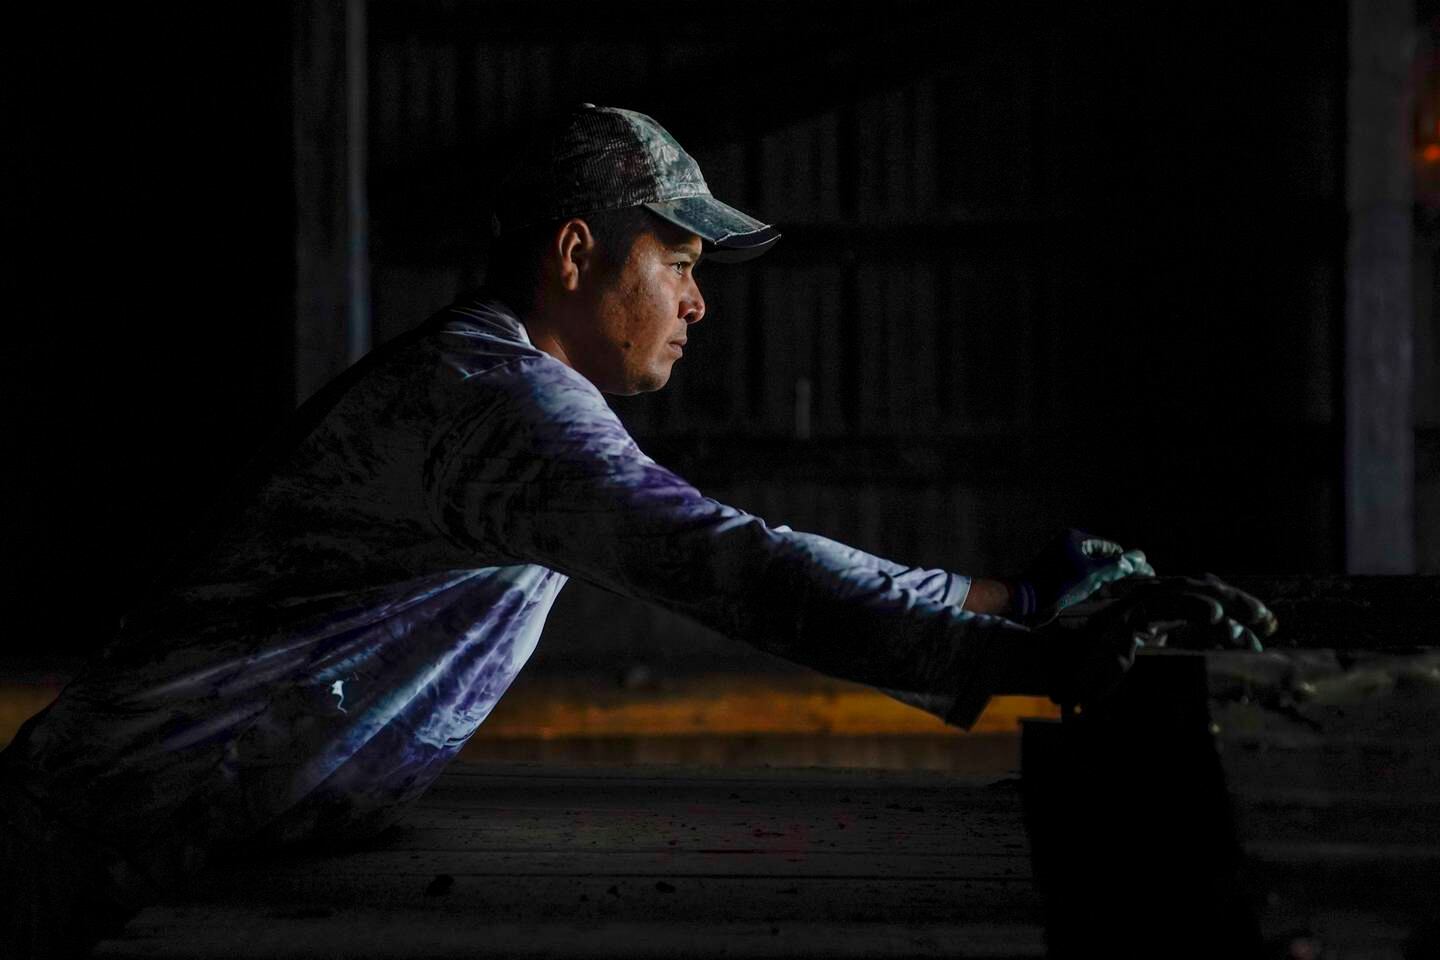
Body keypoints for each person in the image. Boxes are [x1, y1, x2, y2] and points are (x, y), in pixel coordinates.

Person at [0, 104, 1276, 958]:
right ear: (575, 252)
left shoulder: (498, 387)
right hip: (87, 858)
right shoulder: (499, 406)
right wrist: (1038, 655)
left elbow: (732, 545)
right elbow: (733, 567)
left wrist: (1020, 601)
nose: (697, 304)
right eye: (680, 261)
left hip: (157, 841)